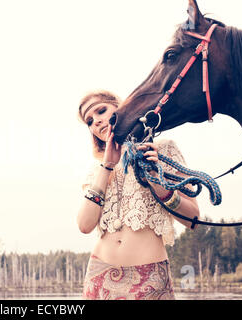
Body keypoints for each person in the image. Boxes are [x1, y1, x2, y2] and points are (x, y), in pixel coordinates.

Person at [77, 90, 200, 300]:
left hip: (149, 277)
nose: (96, 121)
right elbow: (85, 225)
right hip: (100, 275)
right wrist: (107, 166)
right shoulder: (96, 167)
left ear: (120, 108)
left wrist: (155, 177)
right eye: (89, 121)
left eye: (101, 111)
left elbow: (193, 220)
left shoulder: (163, 150)